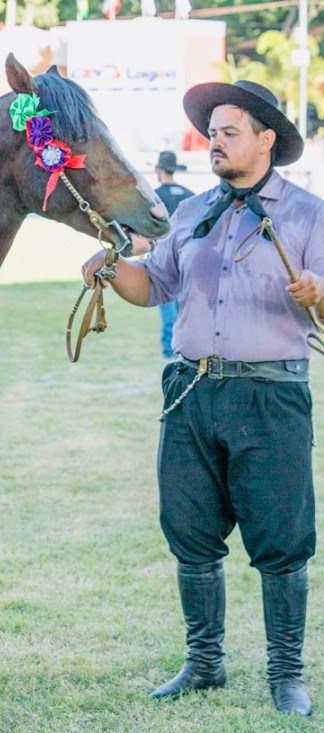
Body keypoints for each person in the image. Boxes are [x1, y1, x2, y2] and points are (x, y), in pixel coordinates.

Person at [82, 80, 323, 717]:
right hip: (190, 389)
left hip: (271, 395)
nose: (214, 142)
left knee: (281, 538)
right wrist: (110, 267)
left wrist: (317, 294)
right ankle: (205, 662)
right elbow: (151, 286)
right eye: (211, 133)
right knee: (190, 533)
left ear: (266, 139)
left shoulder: (307, 213)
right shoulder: (189, 213)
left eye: (228, 132)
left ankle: (285, 674)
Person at [152, 151, 195, 358]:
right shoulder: (190, 195)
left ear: (160, 170)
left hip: (163, 259)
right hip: (188, 259)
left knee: (168, 308)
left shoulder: (154, 196)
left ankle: (169, 350)